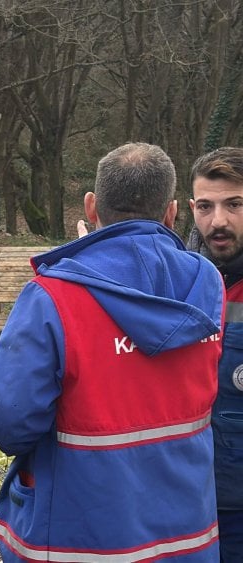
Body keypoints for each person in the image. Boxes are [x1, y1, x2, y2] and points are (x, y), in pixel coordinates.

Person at [0, 142, 224, 562]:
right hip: (188, 538)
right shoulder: (207, 284)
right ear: (171, 212)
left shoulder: (52, 297)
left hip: (77, 541)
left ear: (91, 207)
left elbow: (10, 425)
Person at [187, 147, 243, 562]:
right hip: (184, 506)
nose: (218, 221)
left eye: (235, 204)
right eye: (206, 206)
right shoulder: (180, 286)